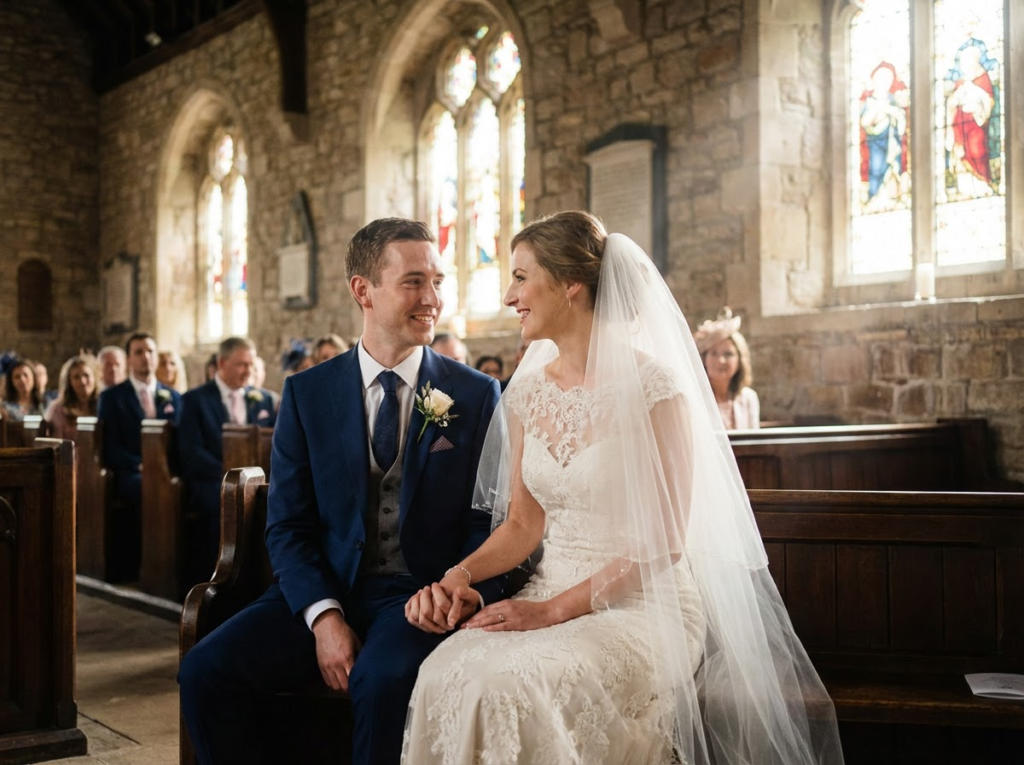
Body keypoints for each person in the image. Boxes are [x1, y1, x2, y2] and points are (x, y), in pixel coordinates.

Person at [402, 212, 843, 765]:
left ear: (570, 286)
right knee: (447, 672)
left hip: (644, 604)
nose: (510, 295)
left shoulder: (657, 390)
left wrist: (550, 614)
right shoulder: (524, 393)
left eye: (520, 277)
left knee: (513, 688)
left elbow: (664, 541)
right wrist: (460, 575)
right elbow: (523, 524)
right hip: (550, 587)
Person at [179, 218, 505, 765]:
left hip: (417, 598)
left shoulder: (474, 393)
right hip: (318, 589)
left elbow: (487, 518)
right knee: (204, 671)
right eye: (414, 282)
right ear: (363, 290)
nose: (432, 299)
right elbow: (287, 525)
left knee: (381, 682)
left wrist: (454, 590)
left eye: (438, 282)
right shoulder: (307, 394)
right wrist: (324, 617)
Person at [178, 337, 277, 577]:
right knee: (226, 501)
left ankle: (263, 576)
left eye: (251, 365)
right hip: (210, 480)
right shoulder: (195, 400)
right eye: (241, 364)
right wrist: (230, 475)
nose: (248, 371)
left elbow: (274, 443)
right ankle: (222, 577)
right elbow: (190, 452)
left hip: (256, 480)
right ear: (222, 363)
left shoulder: (262, 399)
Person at [97, 332, 182, 581]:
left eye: (150, 351)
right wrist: (139, 464)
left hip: (167, 471)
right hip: (130, 472)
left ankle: (177, 564)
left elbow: (179, 442)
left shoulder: (173, 397)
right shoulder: (112, 397)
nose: (146, 357)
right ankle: (150, 564)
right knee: (147, 489)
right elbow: (109, 445)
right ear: (129, 359)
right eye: (139, 352)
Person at [694, 308, 760, 430]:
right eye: (714, 353)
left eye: (728, 354)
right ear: (704, 359)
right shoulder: (696, 400)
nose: (721, 361)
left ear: (739, 360)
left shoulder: (749, 398)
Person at [45, 353, 100, 440]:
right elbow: (56, 446)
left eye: (86, 375)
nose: (83, 381)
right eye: (76, 377)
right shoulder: (58, 410)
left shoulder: (104, 405)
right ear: (69, 382)